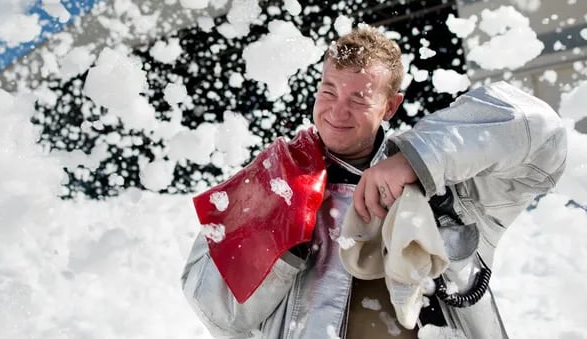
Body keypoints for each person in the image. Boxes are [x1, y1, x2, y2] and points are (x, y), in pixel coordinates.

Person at [181, 25, 567, 338]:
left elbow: (543, 132)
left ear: (391, 105)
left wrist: (414, 162)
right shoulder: (271, 183)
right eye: (328, 91)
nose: (337, 111)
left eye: (360, 99)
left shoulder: (453, 185)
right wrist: (276, 248)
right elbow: (216, 314)